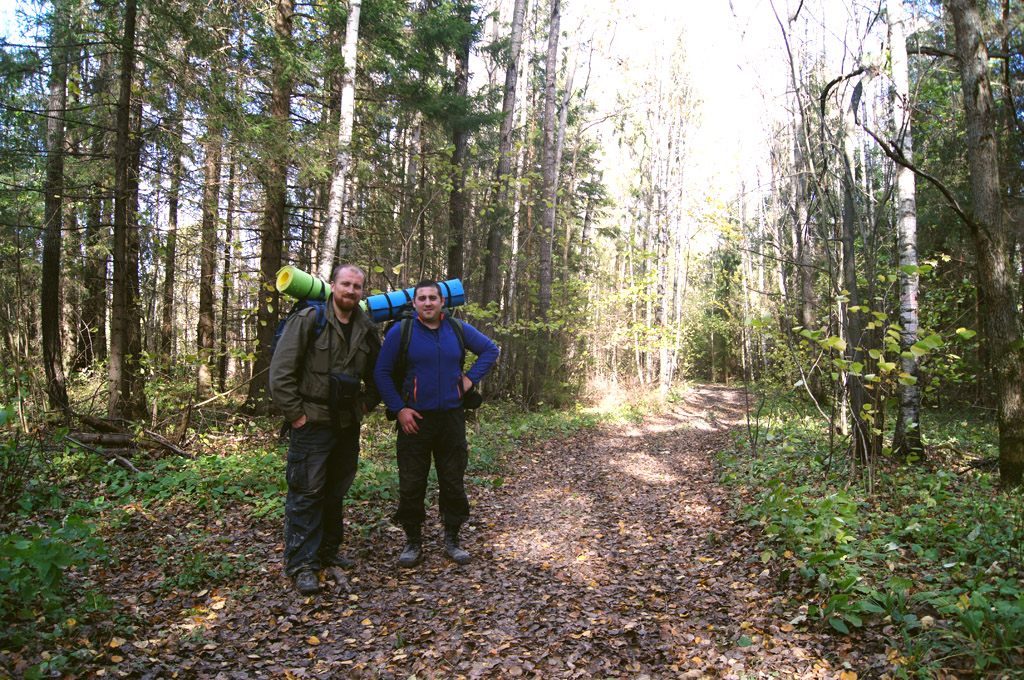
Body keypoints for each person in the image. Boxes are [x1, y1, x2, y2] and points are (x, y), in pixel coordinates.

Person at [269, 264, 380, 595]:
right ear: (333, 286)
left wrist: (367, 404)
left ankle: (328, 551)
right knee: (306, 491)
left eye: (357, 287)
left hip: (347, 424)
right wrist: (295, 415)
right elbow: (281, 371)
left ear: (362, 292)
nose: (350, 291)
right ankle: (302, 563)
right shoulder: (309, 319)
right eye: (345, 284)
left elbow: (379, 373)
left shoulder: (366, 328)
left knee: (335, 490)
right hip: (312, 420)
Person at [374, 279, 499, 567]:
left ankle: (452, 539)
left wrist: (468, 381)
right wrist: (399, 410)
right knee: (411, 483)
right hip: (415, 421)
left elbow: (490, 350)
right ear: (414, 303)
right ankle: (412, 541)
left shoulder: (456, 329)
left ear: (443, 302)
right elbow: (381, 373)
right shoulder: (400, 331)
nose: (428, 302)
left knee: (453, 481)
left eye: (433, 298)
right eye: (422, 298)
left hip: (452, 419)